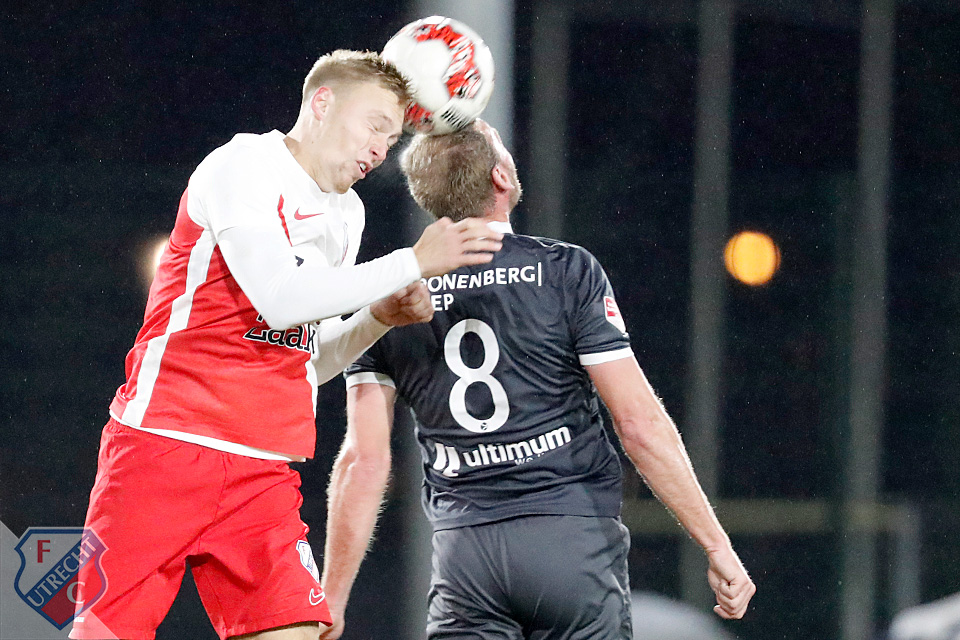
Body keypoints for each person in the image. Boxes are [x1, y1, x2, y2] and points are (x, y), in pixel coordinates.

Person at [69, 50, 502, 640]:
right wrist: (412, 261)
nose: (381, 149)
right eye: (374, 125)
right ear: (322, 104)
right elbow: (279, 298)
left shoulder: (347, 214)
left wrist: (377, 317)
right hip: (166, 449)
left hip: (263, 471)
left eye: (392, 137)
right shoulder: (244, 165)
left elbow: (306, 359)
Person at [320, 119, 756, 639]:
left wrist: (332, 599)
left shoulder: (389, 299)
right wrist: (716, 545)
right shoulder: (565, 271)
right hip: (568, 541)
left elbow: (363, 462)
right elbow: (639, 425)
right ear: (501, 177)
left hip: (465, 557)